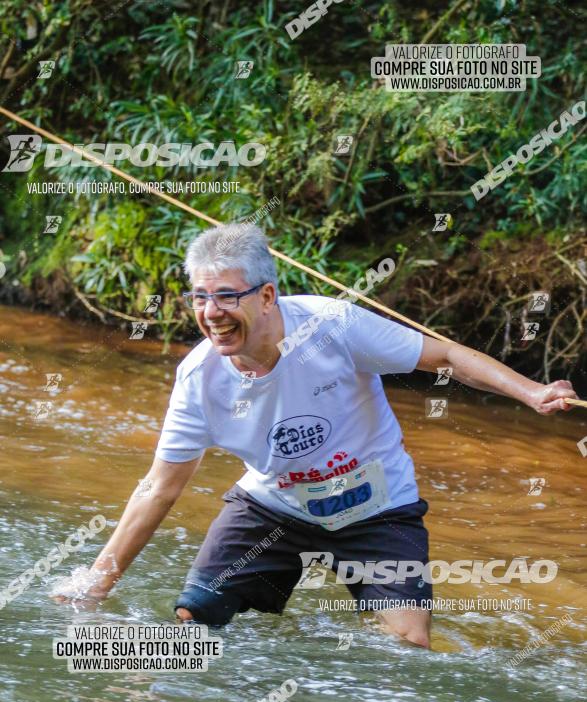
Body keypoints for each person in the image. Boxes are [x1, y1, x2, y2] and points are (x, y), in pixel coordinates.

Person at [55, 223, 578, 648]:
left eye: (226, 297)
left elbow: (444, 356)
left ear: (265, 296)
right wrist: (99, 579)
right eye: (200, 298)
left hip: (378, 509)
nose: (211, 314)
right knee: (195, 622)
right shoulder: (200, 380)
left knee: (408, 644)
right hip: (272, 508)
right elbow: (159, 487)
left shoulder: (334, 326)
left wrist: (529, 391)